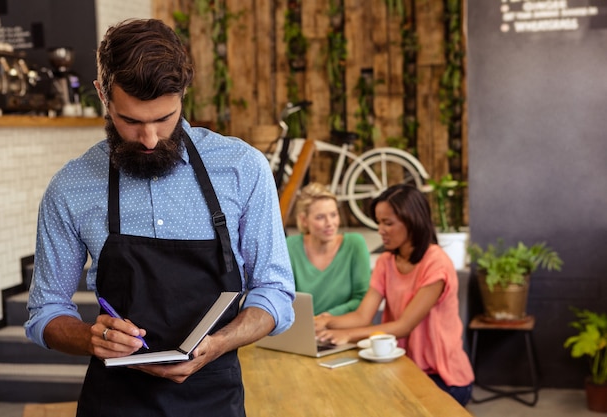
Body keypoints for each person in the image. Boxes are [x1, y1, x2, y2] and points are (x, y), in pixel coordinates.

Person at [24, 18, 295, 417]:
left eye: (164, 119)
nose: (149, 139)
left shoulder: (242, 169)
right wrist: (90, 337)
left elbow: (274, 292)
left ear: (184, 94)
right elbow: (45, 311)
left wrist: (219, 343)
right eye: (131, 121)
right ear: (102, 94)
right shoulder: (70, 187)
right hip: (115, 401)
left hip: (213, 398)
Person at [315, 184, 474, 406]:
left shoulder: (436, 263)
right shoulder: (386, 262)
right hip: (402, 368)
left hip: (443, 378)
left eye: (388, 223)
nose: (381, 230)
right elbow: (362, 315)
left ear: (412, 221)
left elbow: (404, 326)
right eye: (379, 222)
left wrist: (348, 335)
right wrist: (325, 322)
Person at [286, 182, 370, 315]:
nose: (330, 223)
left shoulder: (355, 244)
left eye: (333, 215)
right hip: (304, 330)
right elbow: (286, 300)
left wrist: (329, 317)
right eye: (320, 217)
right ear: (304, 220)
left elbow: (363, 299)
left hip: (347, 329)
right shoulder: (290, 246)